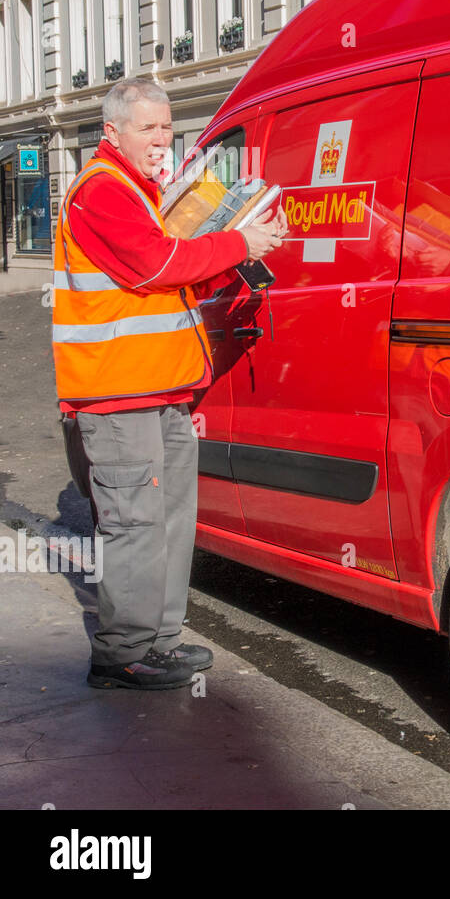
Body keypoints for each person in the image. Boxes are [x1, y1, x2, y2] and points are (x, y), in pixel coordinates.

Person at [52, 77, 287, 690]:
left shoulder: (142, 189)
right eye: (148, 128)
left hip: (163, 390)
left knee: (170, 519)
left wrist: (239, 251)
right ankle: (122, 655)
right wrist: (239, 239)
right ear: (112, 132)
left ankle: (159, 641)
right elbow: (156, 264)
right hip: (119, 394)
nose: (161, 139)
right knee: (133, 523)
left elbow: (178, 281)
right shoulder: (100, 192)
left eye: (167, 127)